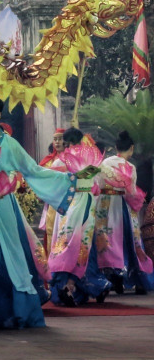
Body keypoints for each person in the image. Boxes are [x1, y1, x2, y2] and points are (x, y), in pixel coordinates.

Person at [0, 96, 75, 328]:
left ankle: (16, 310)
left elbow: (33, 170)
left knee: (9, 254)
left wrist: (70, 179)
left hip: (2, 204)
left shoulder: (9, 144)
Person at [48, 128, 113, 306]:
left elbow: (54, 182)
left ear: (67, 142)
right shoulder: (93, 156)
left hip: (71, 204)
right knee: (85, 245)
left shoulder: (63, 159)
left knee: (66, 244)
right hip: (89, 203)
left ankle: (66, 286)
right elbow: (99, 184)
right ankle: (86, 285)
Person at [93, 131, 154, 294]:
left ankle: (113, 279)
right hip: (123, 205)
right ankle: (137, 278)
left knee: (108, 239)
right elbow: (131, 191)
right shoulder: (130, 167)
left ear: (115, 147)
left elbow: (97, 183)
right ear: (131, 148)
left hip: (105, 205)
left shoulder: (104, 163)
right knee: (131, 240)